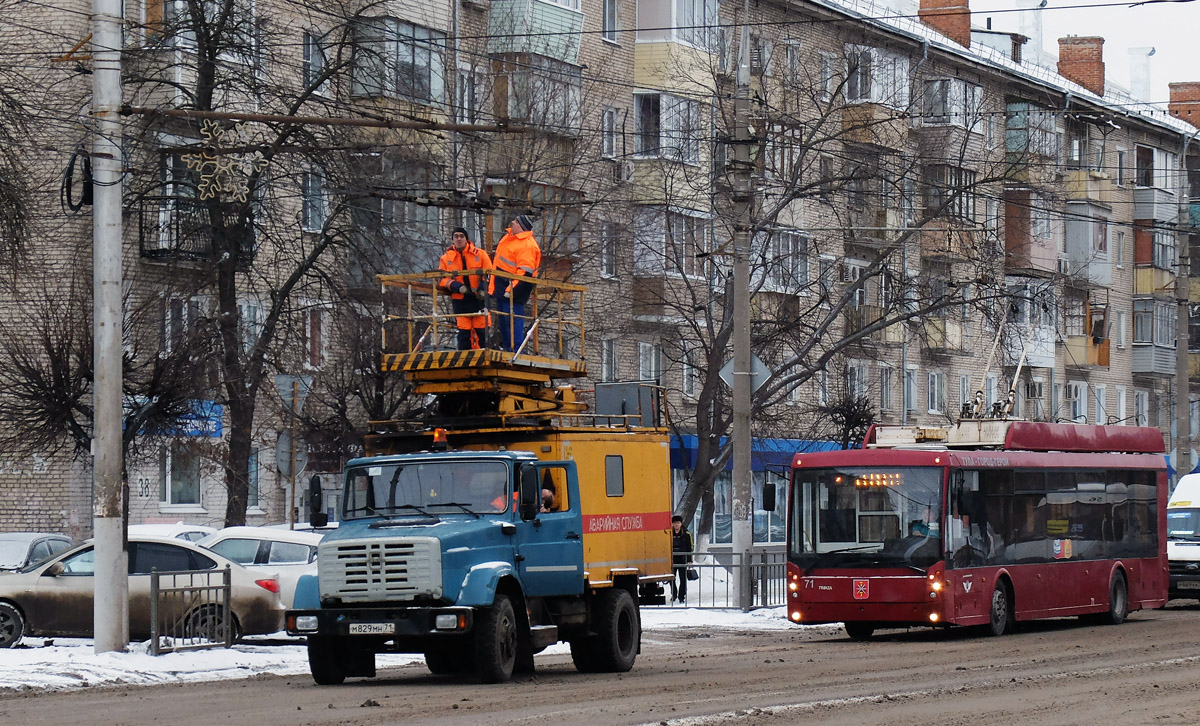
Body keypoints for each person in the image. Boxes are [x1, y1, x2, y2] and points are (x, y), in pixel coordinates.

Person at [489, 214, 541, 352]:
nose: (512, 222)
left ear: (521, 226)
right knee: (505, 321)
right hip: (504, 286)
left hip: (514, 288)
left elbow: (525, 272)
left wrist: (512, 290)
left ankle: (517, 350)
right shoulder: (510, 238)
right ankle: (509, 349)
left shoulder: (527, 244)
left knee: (513, 321)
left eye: (516, 221)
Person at [438, 227, 492, 350]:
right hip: (460, 301)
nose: (459, 239)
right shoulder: (446, 258)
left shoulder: (480, 254)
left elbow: (490, 273)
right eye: (456, 236)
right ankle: (466, 359)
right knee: (464, 335)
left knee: (482, 333)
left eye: (461, 236)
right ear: (452, 239)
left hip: (479, 300)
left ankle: (483, 358)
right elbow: (442, 279)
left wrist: (483, 288)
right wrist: (456, 286)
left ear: (467, 239)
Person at [670, 514, 693, 604]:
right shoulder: (669, 533)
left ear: (681, 523)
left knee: (683, 579)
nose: (676, 525)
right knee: (671, 579)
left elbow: (689, 548)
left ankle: (681, 596)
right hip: (672, 560)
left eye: (678, 523)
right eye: (675, 523)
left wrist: (690, 560)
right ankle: (674, 594)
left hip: (682, 559)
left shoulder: (686, 534)